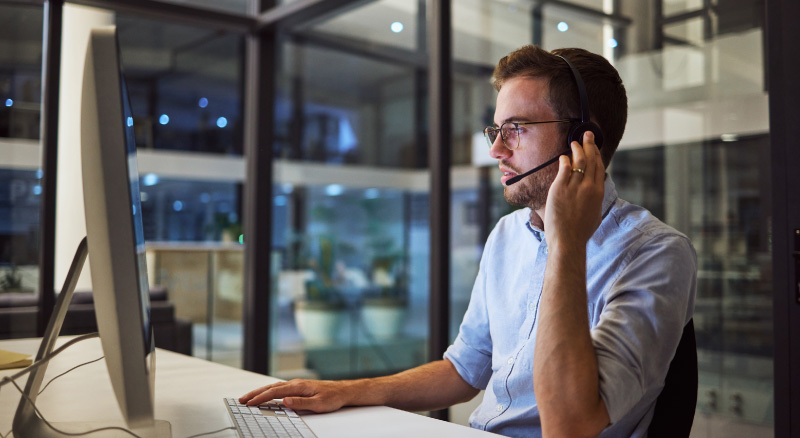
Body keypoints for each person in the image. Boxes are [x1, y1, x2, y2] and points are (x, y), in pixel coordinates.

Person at [240, 46, 697, 438]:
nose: (497, 150)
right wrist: (346, 392)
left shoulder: (657, 254)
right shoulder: (506, 235)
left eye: (516, 129)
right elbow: (466, 369)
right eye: (495, 131)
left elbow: (570, 426)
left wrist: (567, 241)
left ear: (582, 140)